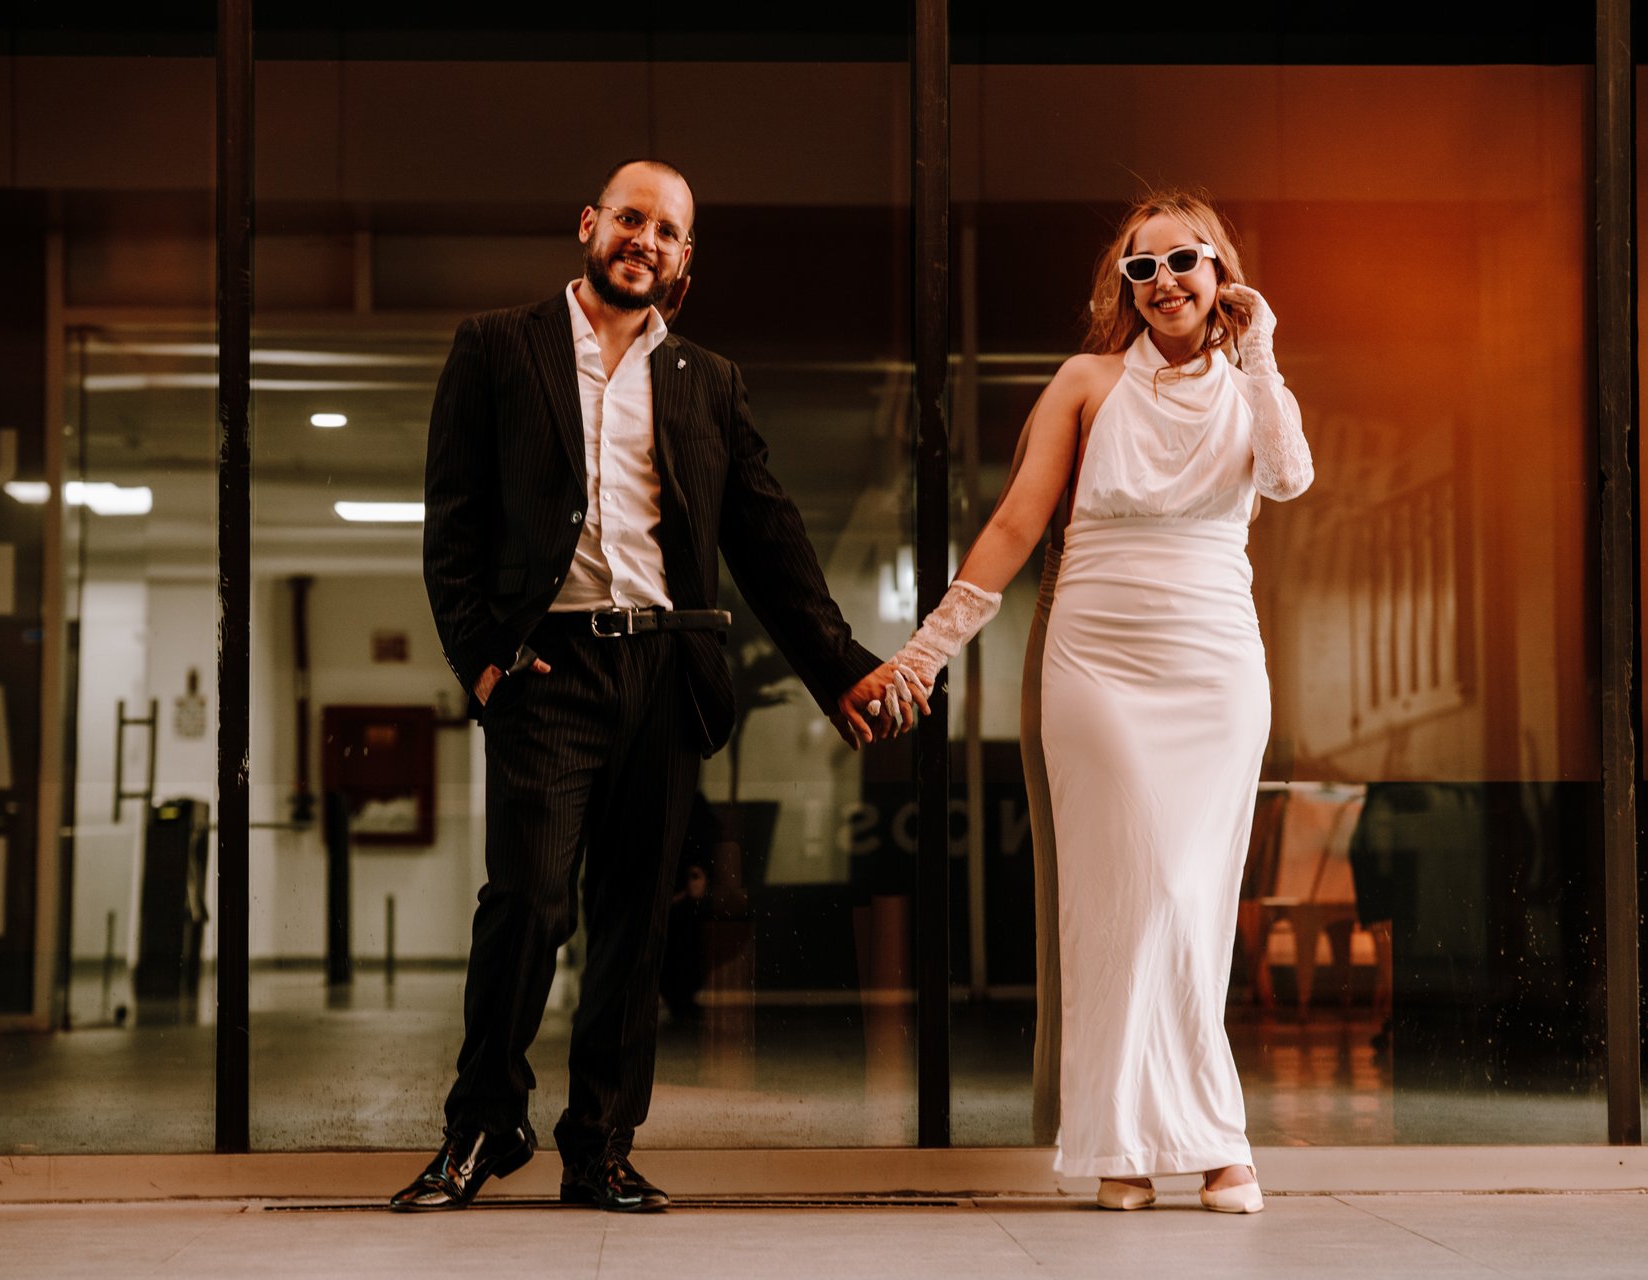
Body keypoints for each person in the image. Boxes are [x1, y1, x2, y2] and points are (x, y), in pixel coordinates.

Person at [394, 159, 894, 1215]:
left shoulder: (706, 378)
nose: (646, 240)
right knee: (525, 902)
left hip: (667, 671)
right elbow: (452, 523)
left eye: (667, 231)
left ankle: (600, 1145)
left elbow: (768, 535)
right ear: (589, 225)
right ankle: (482, 1122)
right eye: (630, 218)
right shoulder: (497, 348)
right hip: (549, 668)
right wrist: (483, 660)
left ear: (683, 258)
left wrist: (840, 666)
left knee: (637, 923)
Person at [857, 189, 1313, 1213]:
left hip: (1217, 668)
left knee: (1192, 902)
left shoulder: (1252, 388)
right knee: (1128, 899)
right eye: (1140, 270)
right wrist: (927, 653)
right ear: (1124, 287)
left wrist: (1264, 350)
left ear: (1220, 269)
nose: (1163, 284)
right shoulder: (1086, 381)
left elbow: (1286, 478)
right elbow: (1017, 527)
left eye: (1183, 261)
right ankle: (1129, 1142)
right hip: (1099, 665)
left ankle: (1198, 1140)